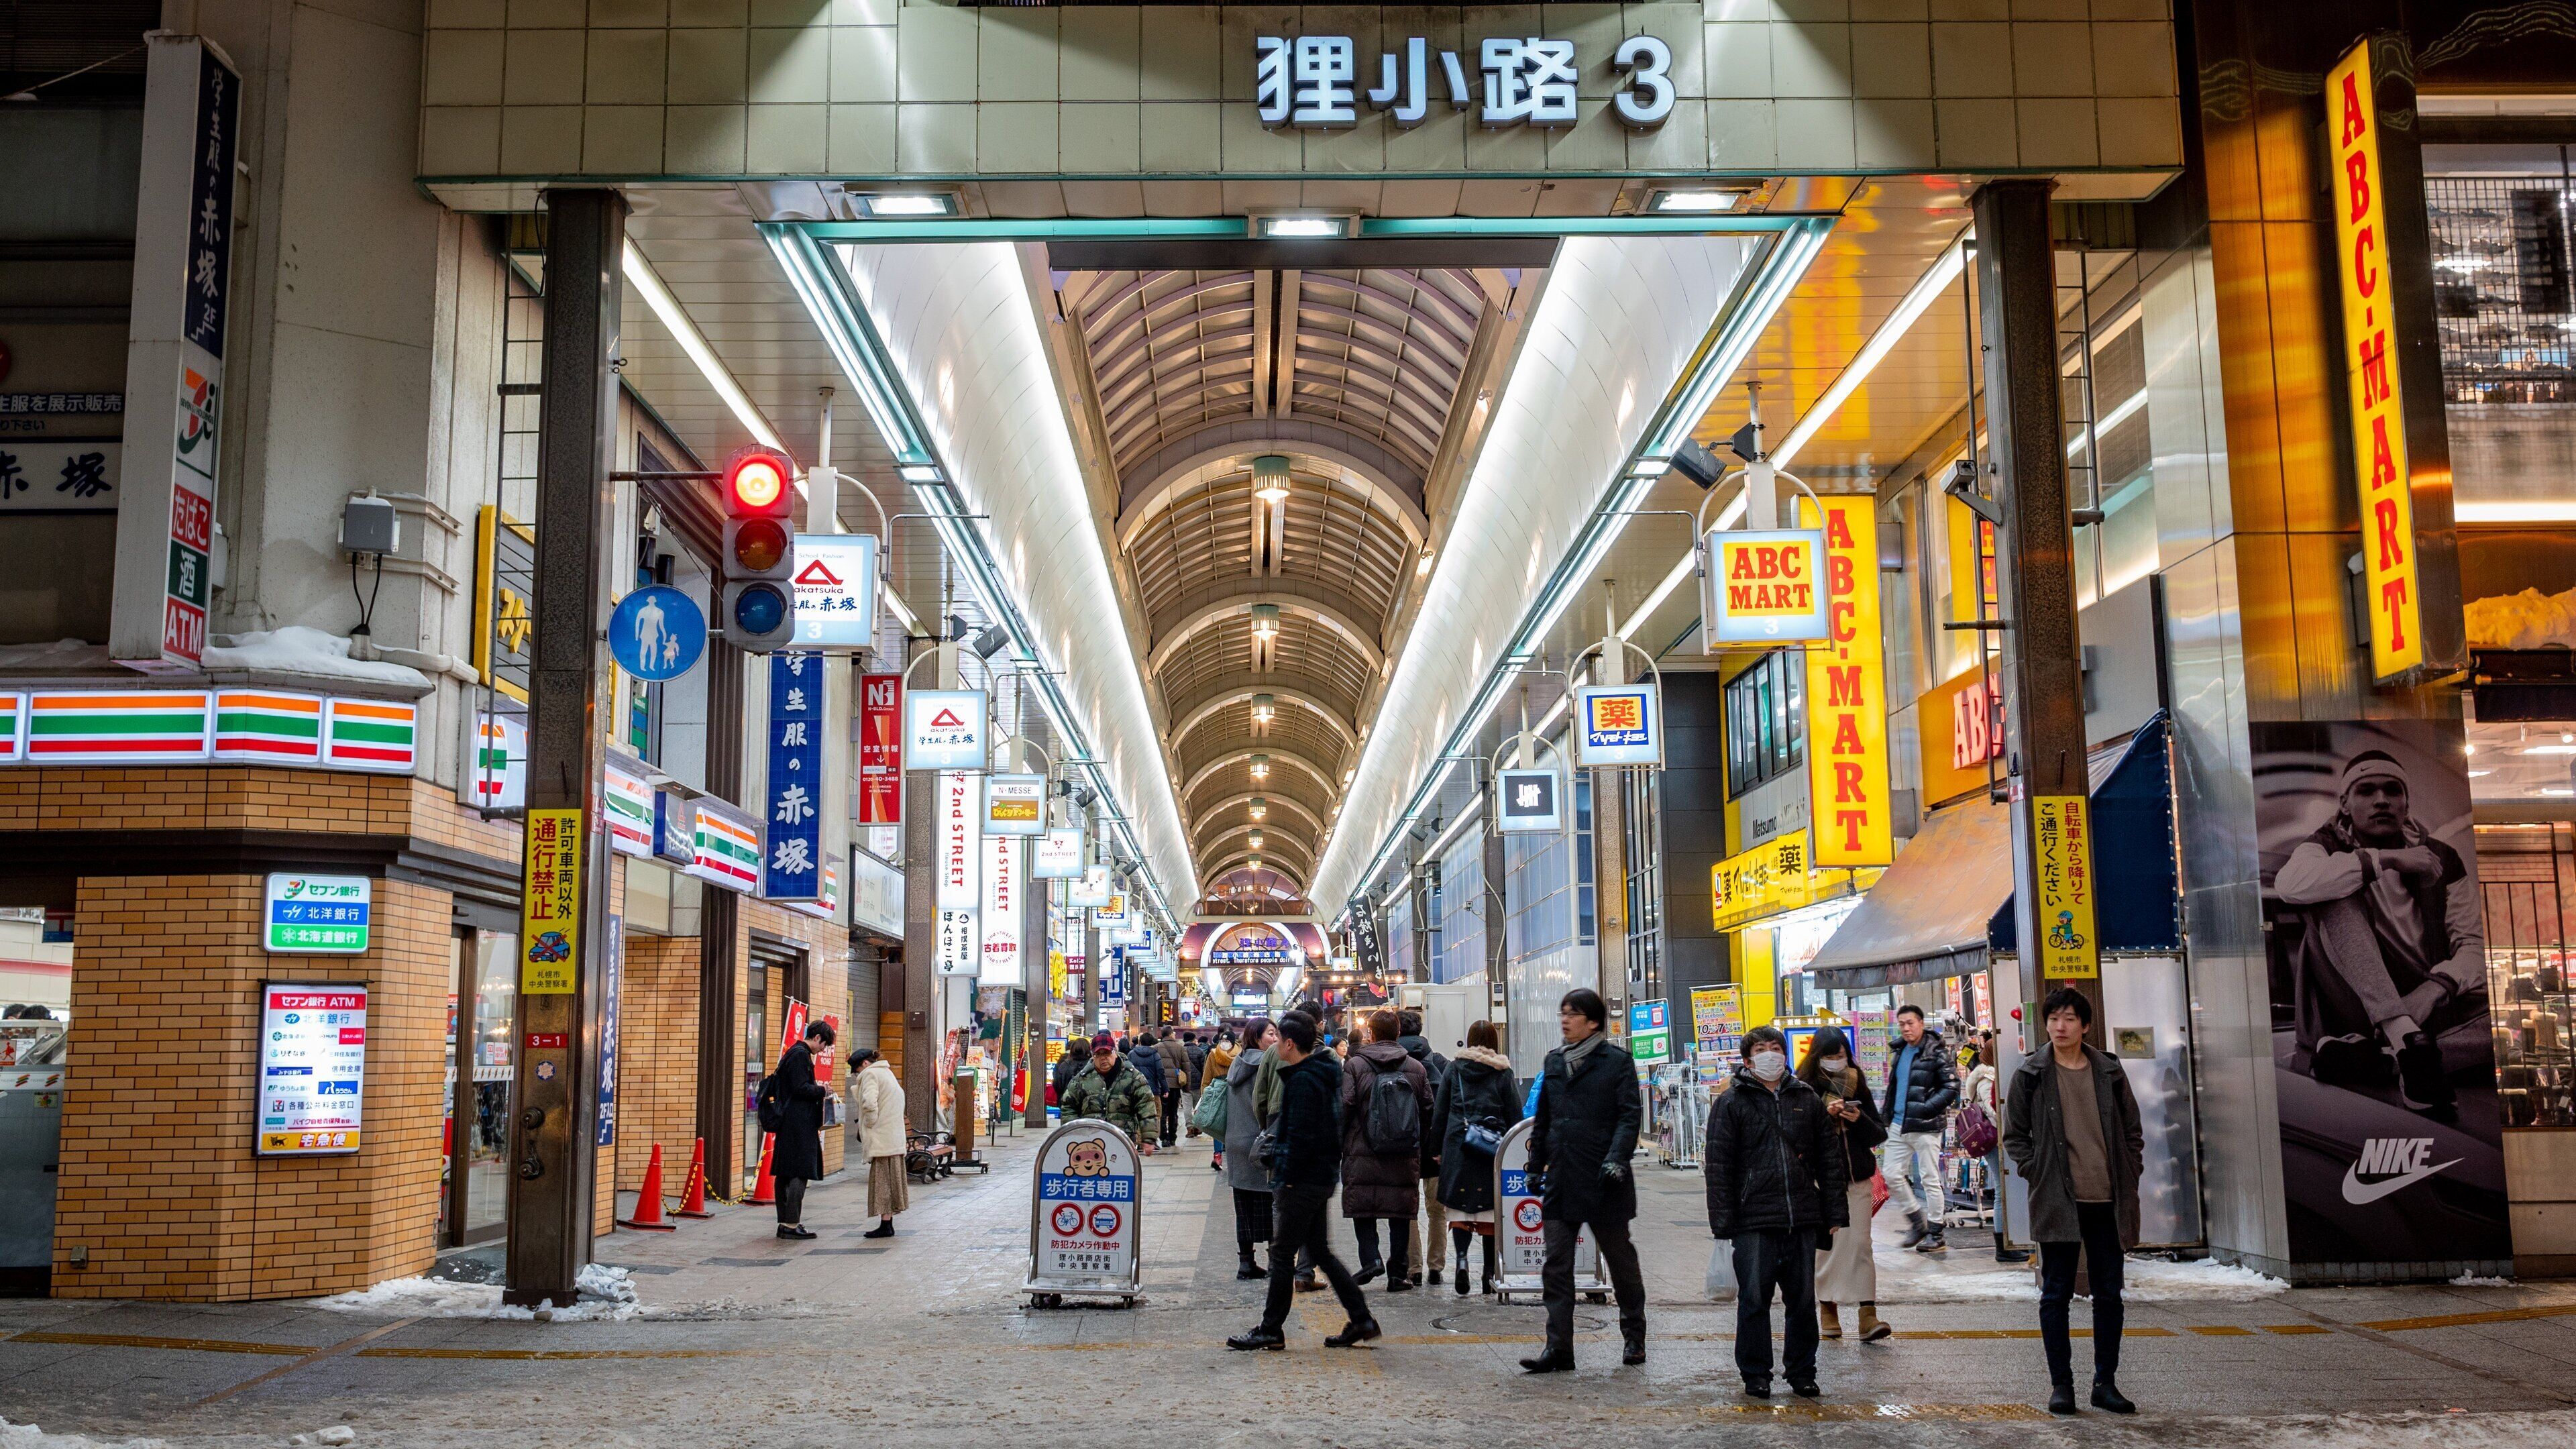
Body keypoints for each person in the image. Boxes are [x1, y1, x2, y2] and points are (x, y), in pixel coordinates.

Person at [2271, 749, 2484, 1116]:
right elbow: (2290, 886)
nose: (2381, 800)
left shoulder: (2443, 857)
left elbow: (2473, 946)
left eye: (2392, 790)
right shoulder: (2323, 846)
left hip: (2428, 1001)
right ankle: (2401, 1035)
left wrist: (2435, 988)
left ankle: (2383, 1058)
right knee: (2331, 890)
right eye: (2367, 791)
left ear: (2406, 803)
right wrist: (2384, 860)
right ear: (2345, 804)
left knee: (2507, 1029)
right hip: (2355, 1003)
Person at [2004, 987, 2145, 1417]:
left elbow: (2133, 1131)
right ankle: (2061, 1386)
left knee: (2109, 1293)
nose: (2060, 1027)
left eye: (2069, 1019)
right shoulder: (2030, 1074)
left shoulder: (2110, 1072)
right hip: (2058, 1197)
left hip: (2108, 1196)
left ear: (2085, 1025)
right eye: (2053, 1019)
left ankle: (2106, 1383)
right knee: (2056, 1293)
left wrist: (2130, 1170)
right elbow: (2014, 1138)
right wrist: (2039, 1173)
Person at [1706, 1024, 1847, 1399]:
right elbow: (1718, 1167)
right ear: (1748, 1059)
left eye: (1776, 1047)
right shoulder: (1731, 1102)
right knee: (1754, 1300)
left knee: (1801, 1302)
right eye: (1762, 1048)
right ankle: (1756, 1374)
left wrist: (1834, 1212)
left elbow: (1829, 1160)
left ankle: (1802, 1372)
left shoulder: (1806, 1098)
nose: (1770, 1054)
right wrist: (1722, 1225)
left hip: (1801, 1216)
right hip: (1753, 1218)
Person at [1227, 1012, 1379, 1351]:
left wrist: (1286, 1176)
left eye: (1279, 1039)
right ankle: (1361, 1319)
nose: (1276, 1044)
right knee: (1321, 1251)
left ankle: (1271, 1329)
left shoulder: (1303, 1081)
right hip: (1320, 1176)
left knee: (1282, 1254)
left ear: (1290, 1044)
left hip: (1302, 1180)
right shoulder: (1322, 1073)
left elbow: (1300, 1136)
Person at [1521, 988, 1648, 1373]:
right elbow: (1544, 1119)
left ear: (1593, 1021)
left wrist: (1617, 1158)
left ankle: (1634, 1338)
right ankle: (1559, 1349)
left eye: (1573, 1014)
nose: (1565, 1020)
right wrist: (1534, 1164)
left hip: (1604, 1179)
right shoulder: (1554, 1062)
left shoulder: (1617, 1063)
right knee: (1556, 1264)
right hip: (1561, 1177)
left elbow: (1629, 1116)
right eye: (1562, 1013)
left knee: (1619, 1259)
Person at [1796, 1026, 1890, 1344]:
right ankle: (1828, 1308)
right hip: (1820, 1182)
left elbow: (1878, 1133)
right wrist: (1825, 1116)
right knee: (1827, 1248)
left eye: (1842, 1056)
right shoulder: (1802, 1087)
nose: (1838, 1062)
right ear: (1817, 1057)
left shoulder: (1856, 1081)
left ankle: (1868, 1314)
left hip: (1857, 1177)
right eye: (1831, 1056)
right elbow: (1796, 1134)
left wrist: (1856, 1119)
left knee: (1861, 1244)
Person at [1340, 1008, 1433, 1291]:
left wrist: (1342, 1142)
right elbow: (1428, 1109)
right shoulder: (1416, 1068)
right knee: (1400, 1212)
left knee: (1363, 1207)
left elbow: (1345, 1106)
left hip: (1362, 1149)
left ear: (1371, 1034)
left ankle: (1371, 1259)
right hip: (1403, 1151)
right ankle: (1397, 1274)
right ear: (1398, 1034)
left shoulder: (1355, 1066)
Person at [1427, 1018, 1520, 1295]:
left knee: (1460, 1208)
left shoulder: (1454, 1069)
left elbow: (1440, 1112)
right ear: (1494, 1042)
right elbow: (1515, 1114)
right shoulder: (1503, 1072)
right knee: (1490, 1211)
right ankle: (1489, 1273)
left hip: (1459, 1146)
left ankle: (1462, 1262)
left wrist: (1435, 1150)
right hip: (1492, 1148)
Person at [1880, 1004, 1959, 1252]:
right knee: (1891, 1174)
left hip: (1926, 1126)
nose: (1906, 1028)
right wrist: (1887, 1116)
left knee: (1929, 1179)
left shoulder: (1936, 1052)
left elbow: (1952, 1087)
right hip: (1899, 1124)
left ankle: (1936, 1232)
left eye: (1910, 1023)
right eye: (1902, 1023)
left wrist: (1927, 1108)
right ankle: (1917, 1223)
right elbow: (1896, 1088)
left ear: (1921, 1023)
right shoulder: (1899, 1051)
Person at [761, 1018, 834, 1240]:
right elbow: (800, 1088)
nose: (823, 1050)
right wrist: (822, 1090)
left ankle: (786, 1223)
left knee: (786, 1172)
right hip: (798, 1124)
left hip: (789, 1122)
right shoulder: (801, 1055)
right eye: (825, 1045)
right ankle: (791, 1224)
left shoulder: (793, 1052)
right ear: (818, 1038)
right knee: (799, 1172)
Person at [1396, 1008, 1451, 1286]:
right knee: (1437, 1209)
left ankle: (1413, 1268)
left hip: (1402, 1145)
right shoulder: (1439, 1061)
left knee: (1408, 1209)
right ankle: (1436, 1267)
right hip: (1436, 1146)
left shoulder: (1393, 1062)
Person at [1221, 1019, 1277, 1278]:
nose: (1275, 1039)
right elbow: (1268, 1105)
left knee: (1243, 1206)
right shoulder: (1269, 1063)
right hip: (1260, 1141)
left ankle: (1246, 1264)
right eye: (1271, 1034)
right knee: (1269, 1204)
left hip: (1236, 1142)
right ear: (1256, 1038)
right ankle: (1276, 1261)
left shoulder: (1237, 1063)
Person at [1063, 1032, 1161, 1152]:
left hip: (1123, 1142)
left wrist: (1149, 1138)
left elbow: (1146, 1107)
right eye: (1098, 1054)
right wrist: (1075, 1133)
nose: (1103, 1058)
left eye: (1107, 1053)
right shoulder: (1082, 1079)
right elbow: (1068, 1107)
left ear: (1115, 1052)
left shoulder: (1133, 1077)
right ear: (1093, 1056)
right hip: (1089, 1144)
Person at [851, 1046, 908, 1238]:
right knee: (891, 1183)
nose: (857, 1074)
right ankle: (887, 1223)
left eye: (857, 1070)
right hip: (894, 1138)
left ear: (865, 1064)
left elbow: (869, 1103)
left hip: (882, 1140)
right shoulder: (887, 1073)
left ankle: (886, 1225)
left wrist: (868, 1124)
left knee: (883, 1183)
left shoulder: (871, 1075)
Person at [1203, 1030, 1238, 1171]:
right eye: (1222, 1041)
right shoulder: (1213, 1055)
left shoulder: (1240, 1055)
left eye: (1228, 1041)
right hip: (1217, 1094)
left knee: (1233, 1126)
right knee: (1217, 1125)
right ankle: (1217, 1156)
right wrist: (1205, 1097)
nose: (1224, 1044)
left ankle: (1233, 1156)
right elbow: (1207, 1077)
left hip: (1234, 1093)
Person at [1155, 1028, 1193, 1148]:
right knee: (1173, 1112)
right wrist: (1187, 1088)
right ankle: (1172, 1137)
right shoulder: (1180, 1048)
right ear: (1171, 1034)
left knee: (1162, 1113)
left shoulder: (1156, 1048)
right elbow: (1187, 1069)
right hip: (1175, 1086)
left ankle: (1164, 1138)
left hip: (1161, 1086)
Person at [1049, 1033, 1085, 1109]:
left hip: (1065, 1101)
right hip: (1085, 1103)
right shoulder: (1090, 1063)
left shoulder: (1062, 1063)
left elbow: (1057, 1083)